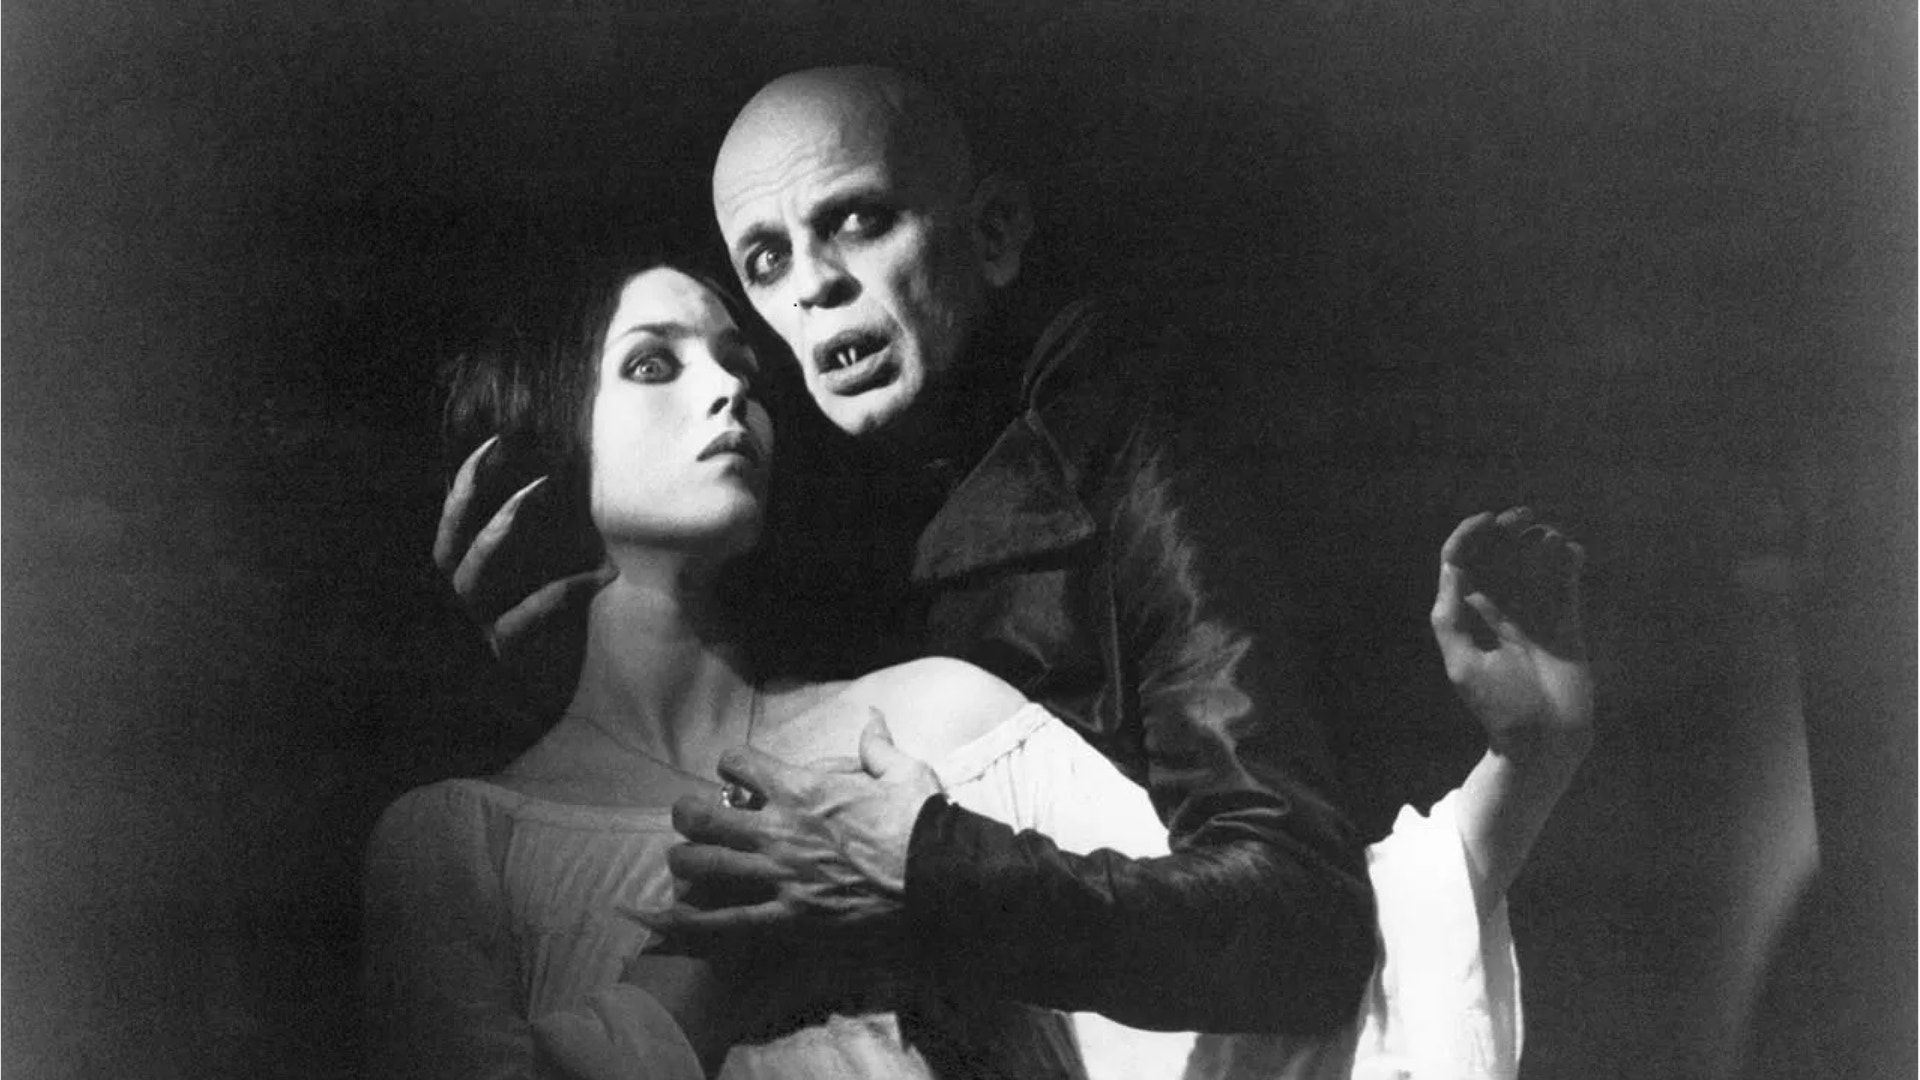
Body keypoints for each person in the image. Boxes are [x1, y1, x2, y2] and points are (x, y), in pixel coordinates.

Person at [373, 250, 1593, 1080]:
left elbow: (1257, 985)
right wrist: (714, 971)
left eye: (740, 362)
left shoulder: (925, 724)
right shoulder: (460, 844)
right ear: (530, 454)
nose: (729, 391)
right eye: (656, 364)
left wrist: (1530, 761)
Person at [435, 63, 1378, 1036]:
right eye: (767, 260)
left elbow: (1302, 921)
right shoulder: (808, 515)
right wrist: (558, 683)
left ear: (994, 233)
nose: (814, 285)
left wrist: (927, 875)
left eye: (858, 221)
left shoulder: (1129, 453)